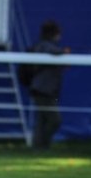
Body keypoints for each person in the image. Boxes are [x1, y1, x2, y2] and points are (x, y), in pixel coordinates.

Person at [28, 20, 69, 149]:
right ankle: (43, 144)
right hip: (42, 90)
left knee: (42, 119)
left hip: (48, 90)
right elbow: (55, 53)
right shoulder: (44, 46)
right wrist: (65, 54)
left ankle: (39, 146)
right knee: (54, 120)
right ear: (54, 33)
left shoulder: (45, 46)